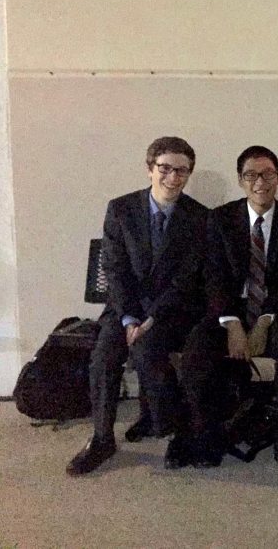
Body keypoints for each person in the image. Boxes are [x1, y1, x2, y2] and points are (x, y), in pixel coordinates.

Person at [66, 137, 207, 476]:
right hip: (125, 307)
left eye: (181, 171)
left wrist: (153, 318)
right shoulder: (121, 209)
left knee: (149, 352)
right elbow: (114, 269)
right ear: (149, 170)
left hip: (170, 310)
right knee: (104, 356)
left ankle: (173, 429)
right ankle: (102, 438)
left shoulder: (200, 217)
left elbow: (187, 280)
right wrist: (130, 317)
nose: (173, 178)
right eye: (165, 169)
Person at [179, 146, 278, 467]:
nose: (260, 182)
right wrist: (233, 324)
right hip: (230, 309)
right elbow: (213, 276)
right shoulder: (220, 220)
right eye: (251, 175)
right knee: (197, 349)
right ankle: (206, 435)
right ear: (241, 181)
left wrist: (264, 322)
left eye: (267, 174)